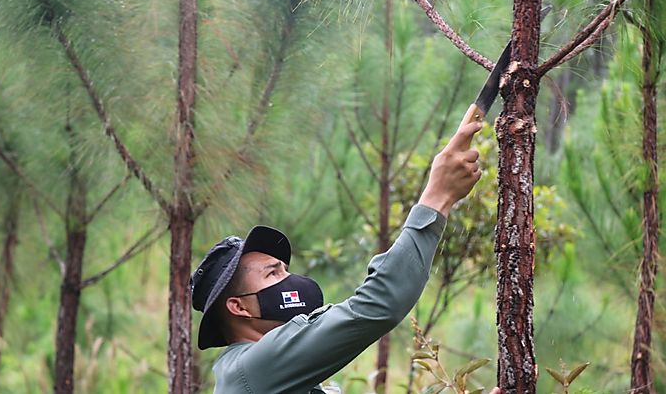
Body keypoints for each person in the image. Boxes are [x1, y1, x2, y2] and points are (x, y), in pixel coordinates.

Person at [190, 120, 500, 393]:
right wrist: (437, 197)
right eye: (272, 274)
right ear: (238, 306)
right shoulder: (252, 370)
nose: (288, 280)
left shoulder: (279, 376)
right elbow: (376, 305)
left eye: (285, 270)